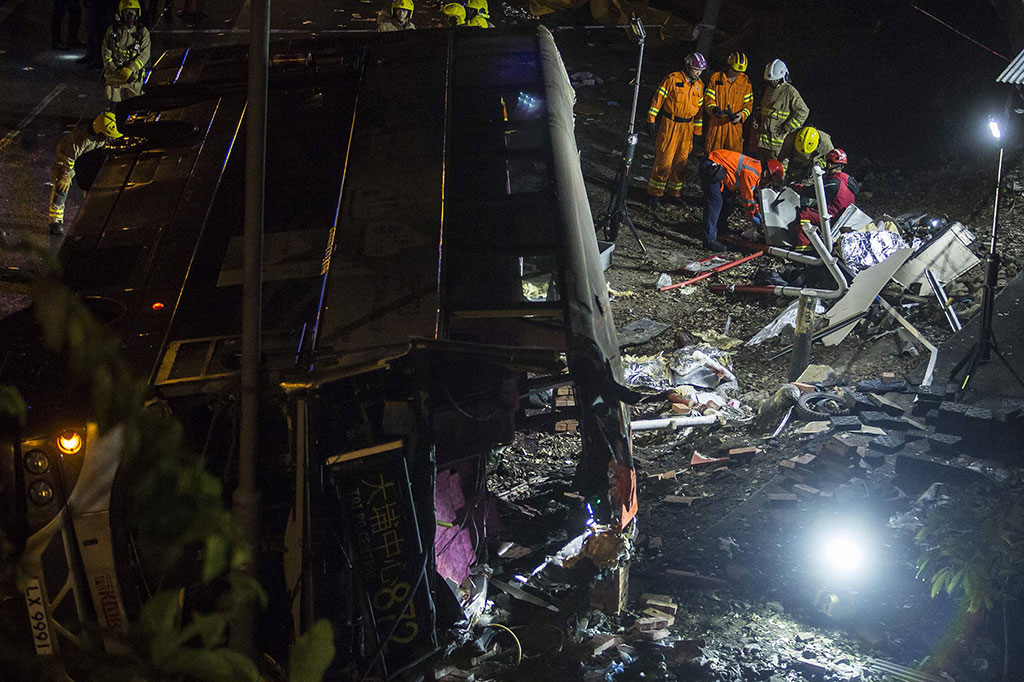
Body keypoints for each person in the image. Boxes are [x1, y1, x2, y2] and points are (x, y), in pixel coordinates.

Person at [644, 52, 706, 208]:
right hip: (670, 124)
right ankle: (654, 193)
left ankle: (674, 193)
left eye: (700, 71)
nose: (698, 73)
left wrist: (697, 132)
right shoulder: (673, 79)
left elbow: (699, 111)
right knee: (664, 159)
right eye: (695, 69)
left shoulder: (700, 86)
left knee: (681, 161)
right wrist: (651, 119)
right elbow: (658, 99)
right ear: (688, 66)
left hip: (687, 127)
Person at [48, 112, 122, 236]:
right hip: (66, 157)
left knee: (92, 181)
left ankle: (88, 213)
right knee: (61, 186)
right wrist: (65, 175)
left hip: (88, 156)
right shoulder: (79, 141)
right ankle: (55, 221)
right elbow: (67, 160)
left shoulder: (99, 134)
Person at [699, 149, 782, 252]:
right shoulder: (752, 174)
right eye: (769, 180)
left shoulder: (755, 170)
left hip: (718, 167)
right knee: (715, 202)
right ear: (767, 173)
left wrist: (756, 212)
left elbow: (749, 196)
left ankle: (721, 227)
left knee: (728, 201)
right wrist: (754, 218)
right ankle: (709, 239)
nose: (766, 183)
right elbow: (747, 199)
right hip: (712, 165)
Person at [793, 148, 859, 250]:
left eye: (829, 162)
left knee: (804, 213)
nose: (827, 165)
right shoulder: (846, 179)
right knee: (814, 207)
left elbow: (812, 192)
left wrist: (796, 186)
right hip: (844, 220)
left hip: (832, 219)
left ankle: (804, 249)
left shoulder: (834, 182)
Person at [757, 59, 808, 162]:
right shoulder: (768, 90)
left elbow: (803, 111)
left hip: (779, 145)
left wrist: (787, 127)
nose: (773, 82)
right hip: (763, 143)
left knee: (778, 174)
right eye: (771, 80)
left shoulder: (790, 91)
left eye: (776, 79)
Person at [703, 52, 752, 154]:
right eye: (734, 70)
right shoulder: (716, 78)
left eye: (739, 72)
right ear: (728, 66)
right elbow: (708, 99)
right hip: (717, 125)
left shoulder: (745, 82)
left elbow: (748, 105)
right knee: (713, 156)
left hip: (734, 127)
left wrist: (741, 116)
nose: (736, 74)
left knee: (733, 158)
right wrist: (714, 109)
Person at [102, 0, 150, 103]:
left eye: (133, 12)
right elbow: (106, 53)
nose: (130, 16)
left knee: (134, 110)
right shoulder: (112, 31)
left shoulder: (142, 32)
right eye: (126, 12)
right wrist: (114, 70)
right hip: (115, 80)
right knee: (113, 110)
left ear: (138, 13)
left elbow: (145, 54)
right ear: (120, 13)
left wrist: (131, 69)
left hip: (134, 81)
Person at [78, 0, 117, 68]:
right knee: (92, 28)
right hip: (97, 4)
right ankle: (92, 54)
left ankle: (99, 58)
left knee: (100, 30)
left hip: (105, 5)